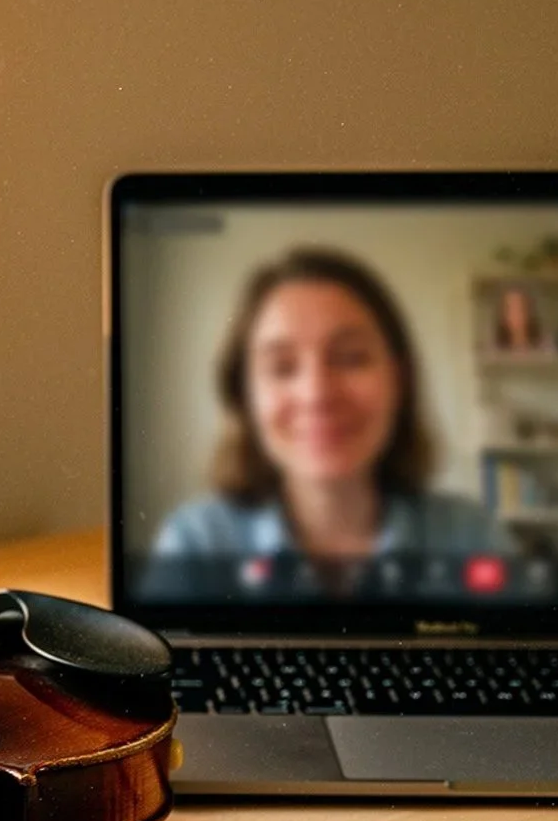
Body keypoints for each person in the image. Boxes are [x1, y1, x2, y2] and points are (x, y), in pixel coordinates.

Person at [147, 246, 499, 595]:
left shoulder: (471, 535)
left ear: (400, 379)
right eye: (282, 367)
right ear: (245, 395)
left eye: (350, 358)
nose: (316, 394)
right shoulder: (194, 542)